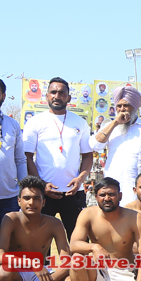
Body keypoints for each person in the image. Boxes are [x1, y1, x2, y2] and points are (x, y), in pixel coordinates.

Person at [0, 175, 94, 281]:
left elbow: (67, 261)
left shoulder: (54, 223)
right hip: (17, 274)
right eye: (26, 198)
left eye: (36, 198)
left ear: (44, 202)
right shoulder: (11, 219)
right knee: (1, 273)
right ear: (19, 201)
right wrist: (33, 264)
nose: (31, 202)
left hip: (43, 274)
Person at [69, 177, 141, 281]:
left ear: (120, 196)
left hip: (124, 272)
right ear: (96, 197)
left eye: (111, 194)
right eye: (102, 195)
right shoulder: (87, 214)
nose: (107, 198)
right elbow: (73, 244)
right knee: (77, 259)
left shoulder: (135, 217)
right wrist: (94, 246)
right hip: (98, 272)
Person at [22, 77, 93, 238]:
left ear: (69, 97)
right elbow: (27, 157)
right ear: (47, 96)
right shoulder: (35, 122)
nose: (57, 96)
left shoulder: (80, 122)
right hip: (44, 192)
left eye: (62, 93)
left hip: (73, 192)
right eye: (53, 92)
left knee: (79, 240)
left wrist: (80, 179)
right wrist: (41, 184)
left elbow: (88, 156)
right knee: (40, 240)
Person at [90, 85, 141, 206]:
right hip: (112, 185)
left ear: (135, 106)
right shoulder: (110, 126)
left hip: (136, 185)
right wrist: (115, 122)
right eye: (119, 106)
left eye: (126, 105)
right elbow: (95, 146)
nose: (122, 109)